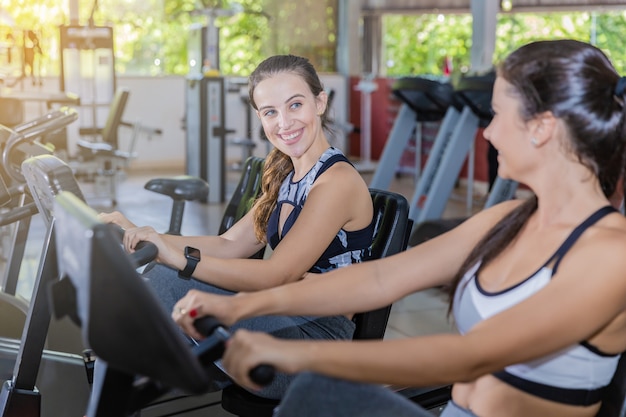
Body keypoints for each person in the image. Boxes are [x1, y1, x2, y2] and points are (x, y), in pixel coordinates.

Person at [172, 39, 626, 417]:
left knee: (318, 393)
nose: (486, 133)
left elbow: (471, 355)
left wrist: (299, 354)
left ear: (542, 128)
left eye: (497, 116)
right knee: (319, 397)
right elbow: (378, 277)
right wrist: (238, 309)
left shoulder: (609, 254)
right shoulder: (507, 219)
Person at [99, 54, 375, 399]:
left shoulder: (336, 182)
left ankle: (110, 398)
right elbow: (230, 243)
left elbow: (277, 274)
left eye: (295, 105)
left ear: (320, 102)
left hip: (315, 345)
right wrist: (147, 236)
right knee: (153, 286)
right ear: (259, 117)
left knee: (168, 282)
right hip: (279, 316)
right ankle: (118, 391)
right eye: (270, 112)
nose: (284, 122)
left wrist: (179, 260)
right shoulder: (286, 175)